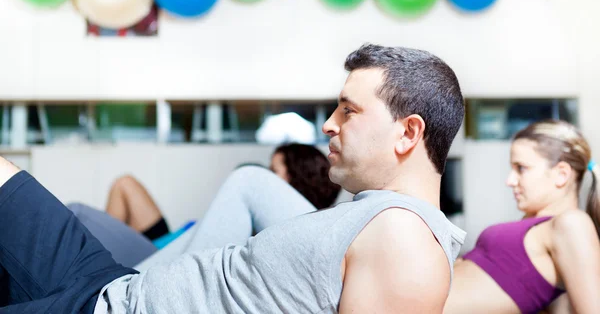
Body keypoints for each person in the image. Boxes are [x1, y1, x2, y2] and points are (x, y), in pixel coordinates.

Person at [0, 43, 466, 313]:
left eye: (349, 110)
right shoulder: (374, 218)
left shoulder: (407, 242)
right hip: (114, 286)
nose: (329, 123)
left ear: (408, 132)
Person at [68, 143, 341, 267]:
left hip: (156, 255)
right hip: (173, 241)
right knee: (124, 184)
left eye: (274, 170)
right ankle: (91, 262)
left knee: (78, 213)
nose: (266, 173)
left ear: (293, 180)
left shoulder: (280, 227)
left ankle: (92, 264)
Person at [443, 119, 600, 314]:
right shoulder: (537, 225)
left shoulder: (573, 223)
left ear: (562, 174)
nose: (510, 180)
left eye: (521, 168)